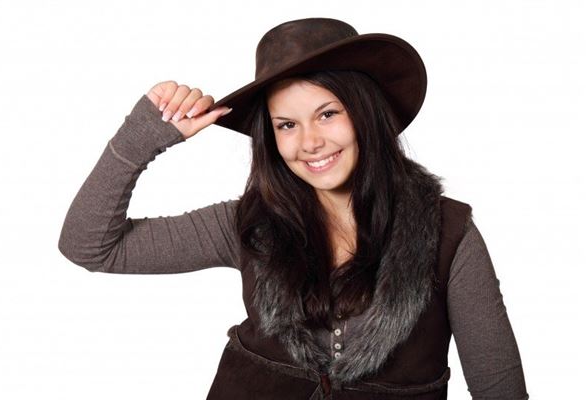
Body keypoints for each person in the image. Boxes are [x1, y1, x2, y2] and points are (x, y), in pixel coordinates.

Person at [58, 17, 529, 399]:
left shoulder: (448, 234)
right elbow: (90, 247)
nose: (309, 142)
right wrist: (143, 137)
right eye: (286, 124)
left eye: (328, 114)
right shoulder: (249, 223)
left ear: (365, 113)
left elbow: (498, 386)